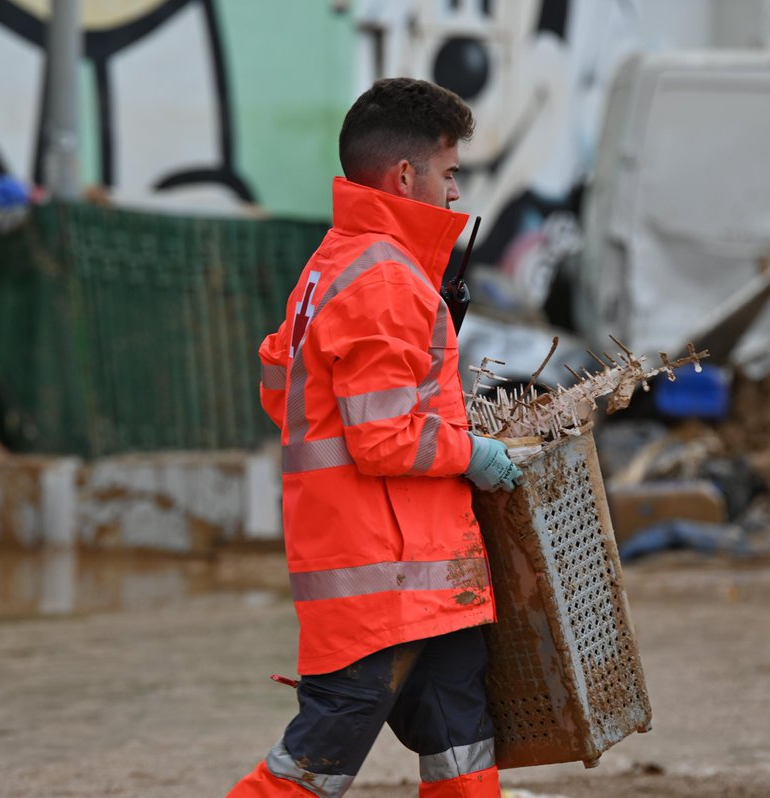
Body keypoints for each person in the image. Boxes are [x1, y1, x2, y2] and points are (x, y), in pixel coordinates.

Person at [226, 77, 523, 797]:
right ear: (404, 175)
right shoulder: (386, 279)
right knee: (312, 769)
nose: (456, 195)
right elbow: (383, 439)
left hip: (414, 579)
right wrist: (472, 453)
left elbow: (282, 391)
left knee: (464, 750)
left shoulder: (333, 265)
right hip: (387, 581)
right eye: (450, 173)